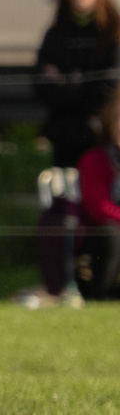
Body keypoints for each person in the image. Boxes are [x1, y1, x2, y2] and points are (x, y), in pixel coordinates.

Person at [32, 0, 118, 297]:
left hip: (101, 143)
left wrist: (66, 82)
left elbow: (108, 88)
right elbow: (40, 85)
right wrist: (78, 87)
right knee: (70, 215)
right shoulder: (56, 34)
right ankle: (69, 282)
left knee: (103, 215)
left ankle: (103, 281)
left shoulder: (112, 32)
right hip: (66, 141)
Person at [73, 90, 120, 300]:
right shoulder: (94, 160)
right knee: (110, 236)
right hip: (100, 234)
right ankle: (101, 297)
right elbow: (98, 206)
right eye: (118, 117)